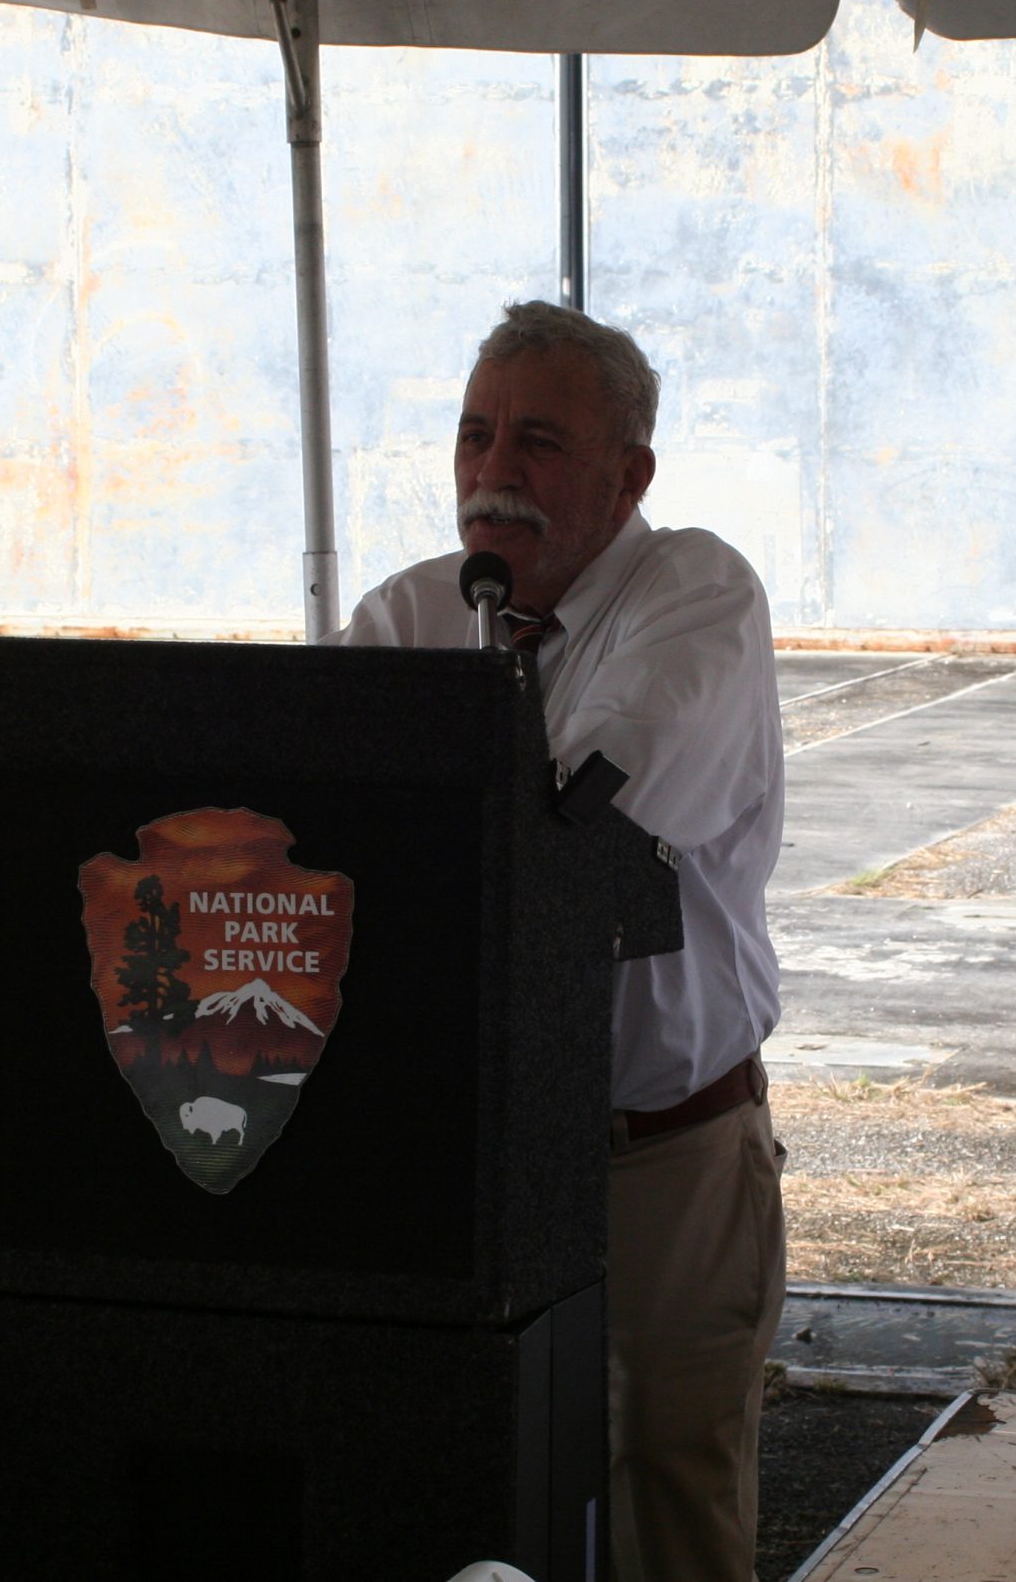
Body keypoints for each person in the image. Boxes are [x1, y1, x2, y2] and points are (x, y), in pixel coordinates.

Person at [333, 301, 786, 1580]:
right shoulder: (405, 617)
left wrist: (408, 830)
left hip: (656, 1158)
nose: (493, 473)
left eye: (537, 441)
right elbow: (309, 841)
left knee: (665, 1504)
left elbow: (578, 832)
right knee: (453, 1498)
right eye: (473, 435)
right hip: (459, 1161)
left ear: (629, 474)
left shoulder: (695, 593)